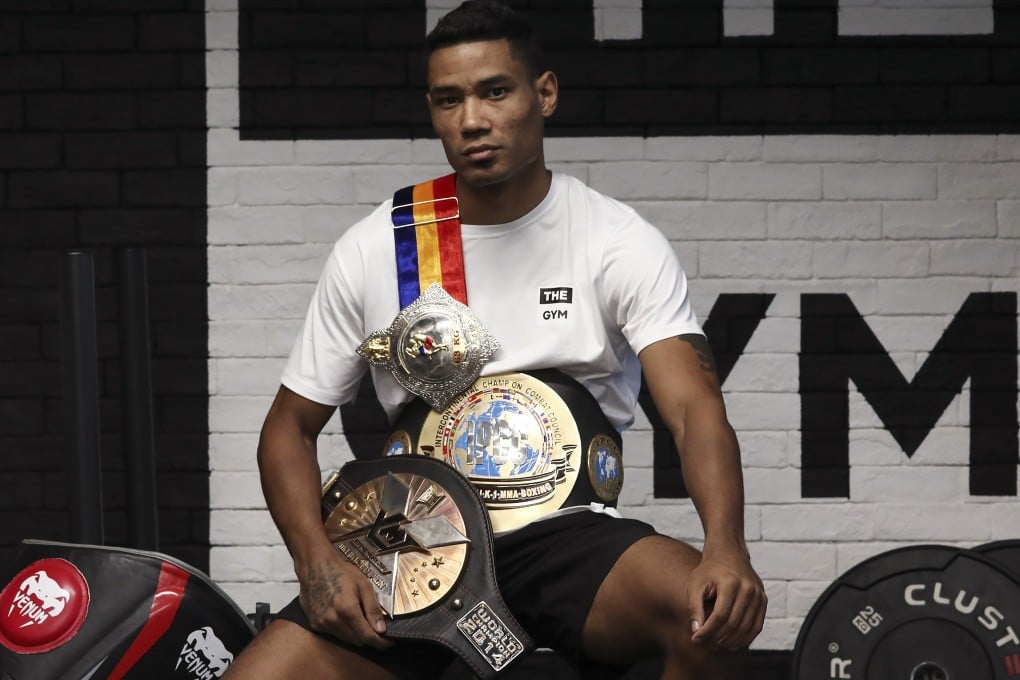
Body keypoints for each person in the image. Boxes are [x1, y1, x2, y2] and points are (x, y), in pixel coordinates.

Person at [223, 1, 766, 678]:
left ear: (545, 93)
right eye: (448, 100)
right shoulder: (381, 246)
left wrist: (726, 547)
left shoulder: (614, 239)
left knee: (705, 615)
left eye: (495, 91)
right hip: (414, 543)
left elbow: (694, 411)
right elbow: (287, 429)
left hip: (568, 539)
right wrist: (317, 563)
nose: (472, 119)